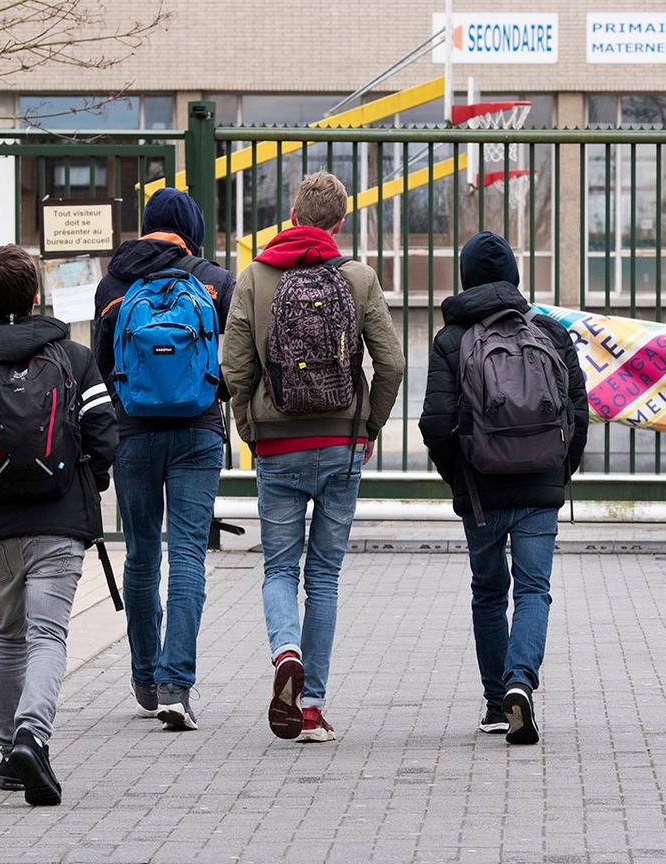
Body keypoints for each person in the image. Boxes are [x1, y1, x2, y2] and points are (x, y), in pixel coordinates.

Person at [0, 244, 118, 804]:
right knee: (48, 635)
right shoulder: (74, 359)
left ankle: (10, 749)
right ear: (36, 296)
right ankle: (33, 737)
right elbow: (105, 434)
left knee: (10, 634)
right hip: (60, 523)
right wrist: (89, 486)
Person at [222, 171, 405, 743]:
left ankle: (285, 654)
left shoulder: (253, 278)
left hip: (278, 446)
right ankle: (311, 707)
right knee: (322, 577)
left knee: (279, 568)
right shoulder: (358, 278)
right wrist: (367, 427)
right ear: (340, 222)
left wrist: (254, 431)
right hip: (340, 445)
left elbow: (235, 370)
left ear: (293, 216)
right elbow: (392, 363)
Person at [418, 231, 588, 746]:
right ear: (514, 276)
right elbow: (578, 414)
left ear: (466, 279)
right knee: (535, 589)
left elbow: (434, 422)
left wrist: (461, 479)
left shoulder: (451, 340)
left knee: (489, 592)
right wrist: (558, 473)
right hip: (540, 484)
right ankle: (521, 683)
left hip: (482, 489)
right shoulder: (551, 333)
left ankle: (497, 702)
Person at [93, 187, 235, 731]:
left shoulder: (113, 282)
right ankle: (178, 684)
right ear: (191, 228)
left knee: (141, 554)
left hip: (131, 433)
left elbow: (103, 364)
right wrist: (215, 391)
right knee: (188, 557)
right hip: (198, 432)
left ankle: (146, 678)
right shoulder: (215, 280)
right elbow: (239, 351)